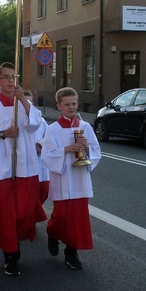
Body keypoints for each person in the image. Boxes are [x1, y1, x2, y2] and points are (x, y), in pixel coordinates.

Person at [0, 62, 46, 276]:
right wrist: (3, 133)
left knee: (24, 209)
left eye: (13, 77)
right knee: (5, 213)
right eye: (5, 77)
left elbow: (35, 125)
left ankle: (18, 239)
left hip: (26, 165)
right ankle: (10, 253)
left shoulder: (24, 104)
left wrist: (23, 99)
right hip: (4, 166)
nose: (10, 81)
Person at [41, 87, 101, 270]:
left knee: (78, 219)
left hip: (80, 179)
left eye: (74, 103)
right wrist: (67, 149)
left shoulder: (85, 127)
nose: (71, 107)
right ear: (59, 106)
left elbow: (96, 150)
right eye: (67, 104)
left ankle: (71, 252)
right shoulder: (53, 129)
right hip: (63, 178)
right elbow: (47, 155)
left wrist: (86, 148)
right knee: (61, 216)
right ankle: (53, 232)